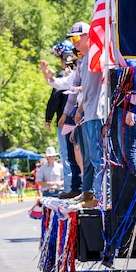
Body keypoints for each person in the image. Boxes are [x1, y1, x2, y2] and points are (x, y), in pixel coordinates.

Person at [40, 22, 103, 208]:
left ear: (87, 36)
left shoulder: (99, 54)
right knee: (91, 157)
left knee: (97, 157)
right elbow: (70, 84)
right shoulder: (84, 60)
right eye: (72, 39)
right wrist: (50, 78)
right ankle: (90, 194)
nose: (74, 42)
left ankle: (101, 197)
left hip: (99, 113)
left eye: (76, 38)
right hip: (89, 114)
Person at [45, 40, 82, 199]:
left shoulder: (75, 73)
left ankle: (74, 187)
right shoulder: (70, 75)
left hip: (72, 119)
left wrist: (49, 118)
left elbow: (55, 98)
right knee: (73, 154)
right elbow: (70, 96)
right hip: (69, 117)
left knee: (71, 155)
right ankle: (75, 187)